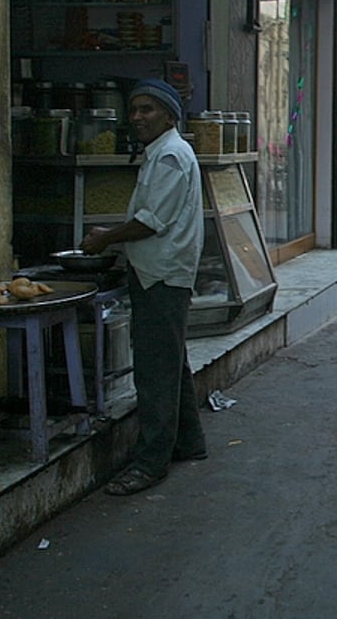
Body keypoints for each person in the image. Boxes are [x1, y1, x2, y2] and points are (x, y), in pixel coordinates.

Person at [81, 78, 207, 495]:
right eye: (133, 109)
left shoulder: (170, 155)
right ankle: (189, 441)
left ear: (170, 115)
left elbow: (151, 221)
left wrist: (105, 237)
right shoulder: (160, 154)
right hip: (157, 273)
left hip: (162, 278)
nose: (137, 117)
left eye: (147, 109)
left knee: (155, 373)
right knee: (171, 363)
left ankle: (150, 462)